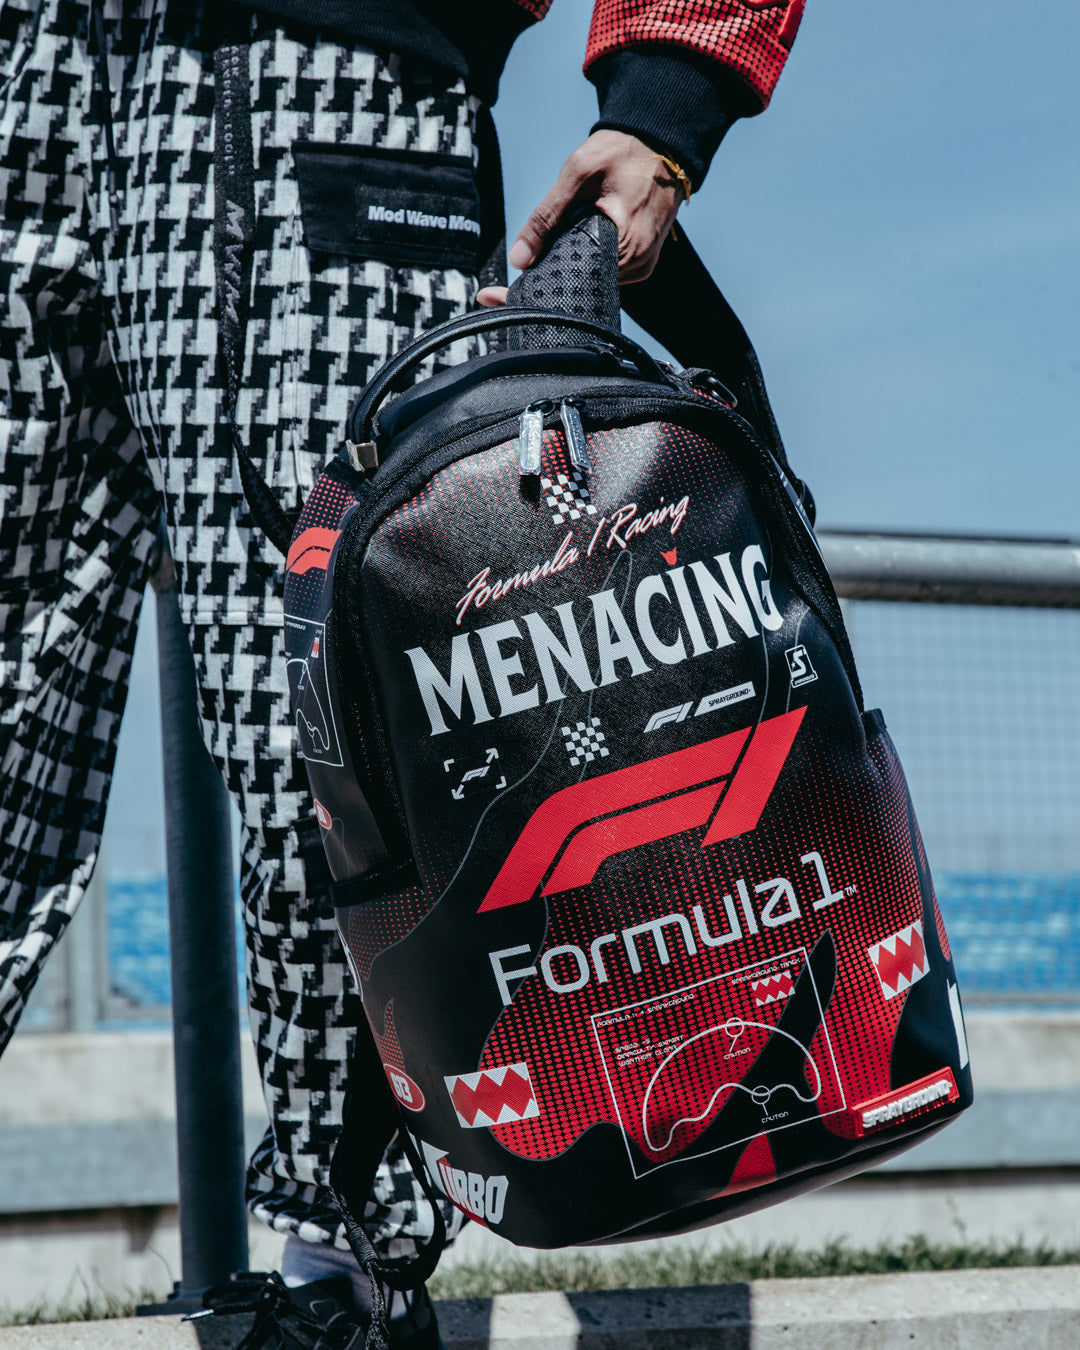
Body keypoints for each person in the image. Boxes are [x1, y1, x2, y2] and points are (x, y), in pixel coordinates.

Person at [0, 0, 804, 1343]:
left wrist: (666, 98)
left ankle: (343, 1277)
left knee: (328, 730)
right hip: (27, 61)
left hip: (316, 63)